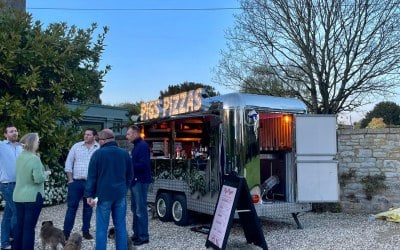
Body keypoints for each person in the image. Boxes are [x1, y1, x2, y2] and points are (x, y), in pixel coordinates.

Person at [85, 129, 133, 250]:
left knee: (101, 228)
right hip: (120, 195)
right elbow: (130, 175)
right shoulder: (124, 153)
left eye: (99, 140)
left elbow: (92, 177)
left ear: (104, 140)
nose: (98, 142)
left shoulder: (98, 154)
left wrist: (89, 195)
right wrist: (125, 188)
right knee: (121, 227)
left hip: (103, 196)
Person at [13, 133, 50, 250]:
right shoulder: (34, 159)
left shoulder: (19, 157)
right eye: (37, 141)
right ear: (32, 143)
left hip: (18, 196)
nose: (39, 143)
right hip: (32, 197)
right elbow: (38, 179)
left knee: (20, 226)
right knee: (29, 228)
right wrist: (47, 174)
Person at [63, 128, 99, 240]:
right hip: (76, 182)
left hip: (91, 183)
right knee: (71, 207)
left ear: (95, 136)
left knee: (88, 208)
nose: (86, 136)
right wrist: (70, 180)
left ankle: (85, 231)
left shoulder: (99, 148)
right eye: (85, 134)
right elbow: (69, 162)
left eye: (88, 135)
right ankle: (66, 232)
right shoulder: (76, 146)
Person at [126, 125, 152, 246]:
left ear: (136, 134)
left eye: (129, 134)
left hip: (140, 181)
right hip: (135, 181)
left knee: (140, 210)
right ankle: (136, 234)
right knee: (135, 209)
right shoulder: (137, 146)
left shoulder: (142, 146)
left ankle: (143, 236)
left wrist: (128, 164)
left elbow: (144, 165)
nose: (127, 136)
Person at [0, 125, 23, 250]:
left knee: (9, 214)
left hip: (19, 184)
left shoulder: (21, 147)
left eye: (15, 131)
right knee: (17, 212)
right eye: (11, 131)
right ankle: (14, 240)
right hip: (7, 185)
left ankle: (5, 243)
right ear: (5, 134)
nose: (14, 133)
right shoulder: (2, 145)